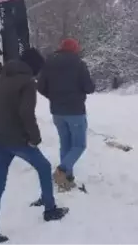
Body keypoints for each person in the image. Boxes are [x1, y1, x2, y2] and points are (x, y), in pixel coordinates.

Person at [0, 48, 68, 244]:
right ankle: (50, 209)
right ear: (34, 68)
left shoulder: (1, 78)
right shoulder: (27, 83)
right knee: (44, 167)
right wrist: (35, 138)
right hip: (17, 140)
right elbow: (26, 113)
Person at [37, 38, 95, 191]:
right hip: (75, 111)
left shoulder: (49, 63)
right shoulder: (79, 64)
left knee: (66, 144)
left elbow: (41, 86)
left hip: (57, 112)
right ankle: (62, 171)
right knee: (79, 145)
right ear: (75, 49)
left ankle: (66, 180)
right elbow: (89, 87)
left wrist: (54, 97)